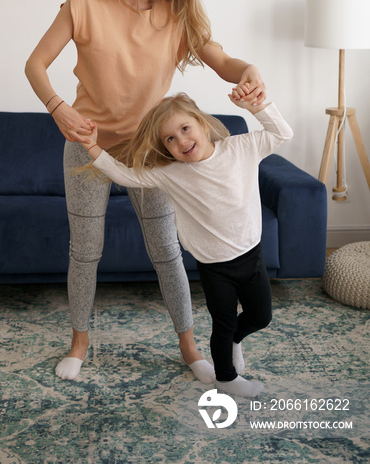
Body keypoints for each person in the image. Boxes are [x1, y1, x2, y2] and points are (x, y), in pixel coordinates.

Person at [25, 0, 267, 382]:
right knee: (85, 251)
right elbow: (36, 63)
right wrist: (57, 107)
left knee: (166, 252)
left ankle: (190, 346)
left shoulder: (175, 14)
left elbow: (221, 62)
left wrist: (249, 69)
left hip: (150, 155)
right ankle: (79, 343)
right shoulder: (84, 3)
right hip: (87, 149)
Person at [81, 92, 293, 397]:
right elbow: (124, 175)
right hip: (213, 267)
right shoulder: (171, 173)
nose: (180, 141)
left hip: (251, 256)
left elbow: (282, 133)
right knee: (222, 324)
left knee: (261, 316)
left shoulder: (242, 147)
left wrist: (257, 107)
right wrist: (92, 147)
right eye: (169, 139)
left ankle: (236, 340)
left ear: (202, 123)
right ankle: (226, 378)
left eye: (184, 129)